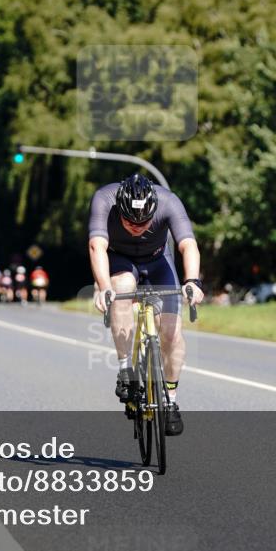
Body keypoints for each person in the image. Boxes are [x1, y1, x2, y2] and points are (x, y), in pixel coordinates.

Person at [88, 174, 204, 436]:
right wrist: (104, 287)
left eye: (144, 221)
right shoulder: (104, 199)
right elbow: (97, 246)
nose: (137, 227)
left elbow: (188, 245)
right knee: (122, 289)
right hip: (120, 261)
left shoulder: (168, 201)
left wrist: (193, 281)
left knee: (172, 334)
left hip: (158, 260)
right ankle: (126, 369)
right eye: (129, 221)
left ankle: (171, 399)